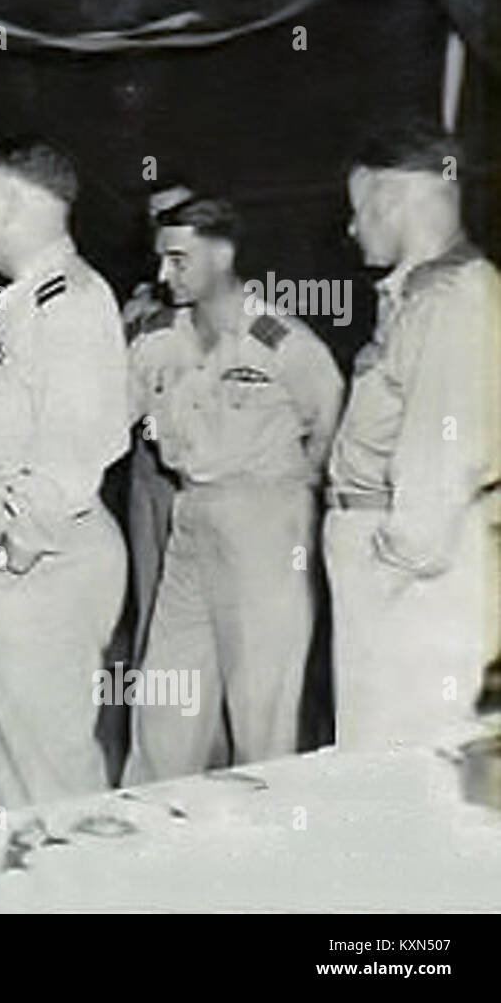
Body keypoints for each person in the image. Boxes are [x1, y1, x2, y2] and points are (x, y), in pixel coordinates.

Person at [0, 137, 131, 808]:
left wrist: (15, 550)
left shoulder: (69, 302)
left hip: (40, 568)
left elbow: (80, 440)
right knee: (24, 774)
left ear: (13, 204)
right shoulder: (22, 302)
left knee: (51, 778)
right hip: (20, 573)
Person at [124, 198, 343, 784]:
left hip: (265, 516)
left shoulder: (276, 337)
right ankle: (149, 832)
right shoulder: (157, 340)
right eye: (161, 261)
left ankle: (265, 842)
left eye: (178, 260)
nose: (163, 275)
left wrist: (294, 493)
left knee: (261, 702)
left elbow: (327, 415)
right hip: (191, 510)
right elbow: (120, 411)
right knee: (166, 692)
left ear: (222, 255)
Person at [325, 124, 501, 751]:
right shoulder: (420, 296)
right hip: (393, 558)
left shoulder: (450, 299)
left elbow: (441, 453)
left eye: (358, 209)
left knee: (401, 758)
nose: (351, 229)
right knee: (379, 754)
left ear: (392, 199)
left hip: (408, 571)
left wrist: (391, 564)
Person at [121, 182, 196, 667]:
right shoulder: (142, 307)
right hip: (145, 468)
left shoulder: (234, 311)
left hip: (197, 478)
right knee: (151, 602)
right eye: (154, 218)